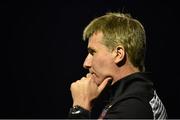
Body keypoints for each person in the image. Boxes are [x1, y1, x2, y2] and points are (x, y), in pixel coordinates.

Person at [68, 12, 167, 119]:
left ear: (118, 54)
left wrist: (79, 109)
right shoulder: (137, 94)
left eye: (93, 52)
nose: (86, 64)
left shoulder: (132, 108)